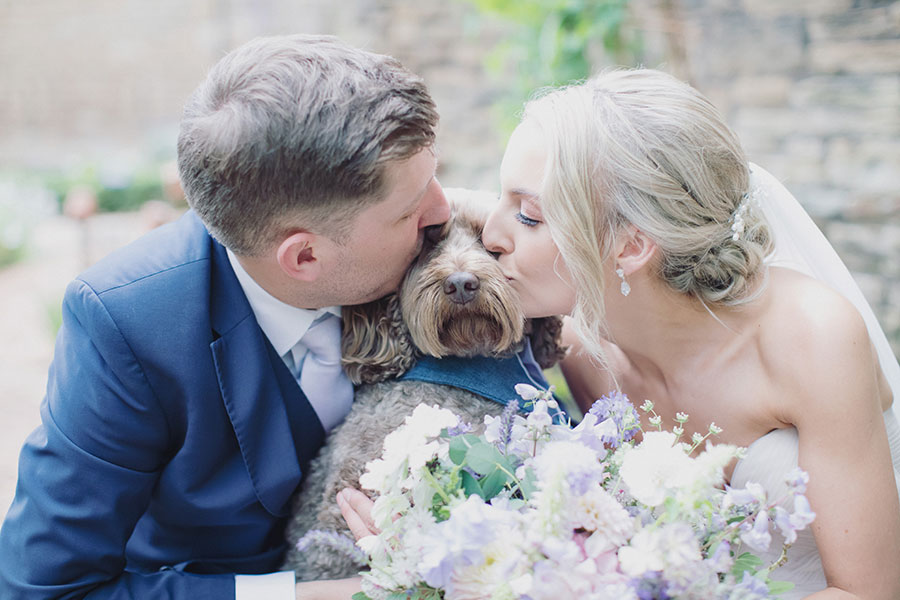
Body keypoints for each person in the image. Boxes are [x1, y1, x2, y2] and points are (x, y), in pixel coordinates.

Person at [0, 34, 449, 599]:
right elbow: (44, 590)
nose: (445, 210)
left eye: (437, 174)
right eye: (410, 210)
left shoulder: (446, 254)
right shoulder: (126, 325)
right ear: (304, 255)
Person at [479, 69, 900, 598]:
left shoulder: (813, 338)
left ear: (631, 246)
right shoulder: (582, 349)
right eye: (498, 198)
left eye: (528, 216)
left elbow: (870, 592)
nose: (490, 234)